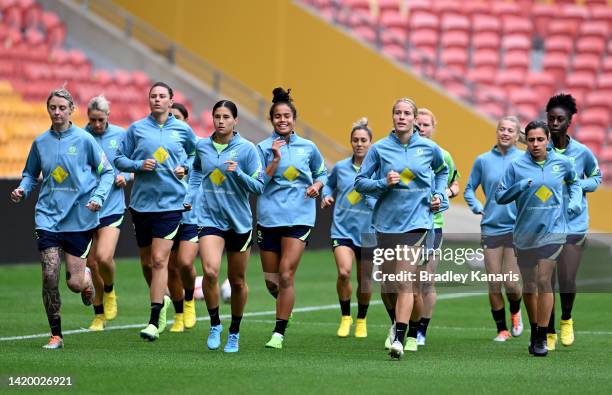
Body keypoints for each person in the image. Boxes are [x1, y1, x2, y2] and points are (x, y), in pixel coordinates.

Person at [10, 87, 114, 349]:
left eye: (61, 108)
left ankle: (86, 278)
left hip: (79, 218)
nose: (56, 112)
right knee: (49, 274)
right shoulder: (40, 142)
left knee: (75, 284)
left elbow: (107, 173)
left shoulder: (84, 140)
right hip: (47, 217)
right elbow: (30, 174)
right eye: (52, 107)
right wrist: (23, 189)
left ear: (71, 111)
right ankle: (56, 334)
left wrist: (99, 198)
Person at [355, 98, 448, 359]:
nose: (402, 117)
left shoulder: (429, 148)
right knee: (388, 285)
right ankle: (398, 322)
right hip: (385, 224)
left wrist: (439, 194)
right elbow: (360, 182)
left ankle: (400, 337)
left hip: (418, 222)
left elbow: (443, 172)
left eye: (407, 113)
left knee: (405, 280)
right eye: (397, 112)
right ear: (392, 116)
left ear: (414, 118)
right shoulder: (379, 149)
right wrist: (383, 183)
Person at [114, 82, 197, 341]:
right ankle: (161, 302)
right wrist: (138, 164)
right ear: (149, 100)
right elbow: (119, 158)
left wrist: (187, 166)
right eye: (153, 96)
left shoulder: (182, 129)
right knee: (147, 263)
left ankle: (153, 318)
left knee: (161, 260)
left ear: (171, 101)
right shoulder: (137, 129)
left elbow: (196, 155)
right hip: (141, 205)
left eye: (162, 96)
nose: (157, 100)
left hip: (172, 204)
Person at [496, 120, 582, 357]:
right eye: (531, 139)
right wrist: (521, 186)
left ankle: (543, 335)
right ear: (526, 141)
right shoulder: (516, 166)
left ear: (548, 140)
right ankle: (534, 330)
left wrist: (574, 202)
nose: (535, 144)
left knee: (544, 281)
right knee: (530, 284)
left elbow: (574, 183)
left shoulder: (562, 163)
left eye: (540, 139)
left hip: (554, 231)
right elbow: (501, 196)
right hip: (525, 234)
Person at [185, 99, 264, 353]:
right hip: (209, 218)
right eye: (217, 116)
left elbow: (259, 186)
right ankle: (215, 323)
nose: (221, 121)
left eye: (226, 117)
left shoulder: (247, 150)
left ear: (235, 121)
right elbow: (196, 172)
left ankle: (235, 331)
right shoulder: (202, 147)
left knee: (237, 281)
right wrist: (191, 195)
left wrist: (238, 173)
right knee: (209, 272)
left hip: (239, 222)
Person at [257, 87, 327, 349]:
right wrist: (274, 160)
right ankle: (286, 304)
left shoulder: (308, 147)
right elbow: (257, 183)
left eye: (287, 116)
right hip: (269, 218)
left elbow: (322, 173)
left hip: (299, 217)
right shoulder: (261, 148)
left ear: (294, 119)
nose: (282, 120)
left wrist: (317, 186)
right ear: (271, 119)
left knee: (286, 275)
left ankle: (278, 332)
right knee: (272, 282)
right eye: (277, 116)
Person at [544, 93, 601, 350]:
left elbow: (596, 177)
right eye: (551, 118)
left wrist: (579, 184)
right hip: (545, 225)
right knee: (547, 280)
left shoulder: (582, 152)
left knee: (566, 278)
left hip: (574, 224)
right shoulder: (540, 150)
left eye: (560, 119)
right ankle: (548, 329)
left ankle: (566, 319)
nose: (554, 123)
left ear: (569, 122)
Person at [464, 116, 525, 342]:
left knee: (511, 282)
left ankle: (516, 311)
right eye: (502, 129)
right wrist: (476, 205)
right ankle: (502, 330)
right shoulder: (483, 160)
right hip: (490, 227)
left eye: (510, 130)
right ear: (497, 132)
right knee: (493, 283)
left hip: (516, 228)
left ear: (517, 134)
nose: (505, 133)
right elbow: (469, 189)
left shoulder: (524, 159)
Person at [321, 117, 374, 338]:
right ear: (350, 142)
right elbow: (328, 184)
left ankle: (361, 319)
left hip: (369, 232)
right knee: (344, 272)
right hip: (342, 229)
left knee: (365, 281)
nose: (359, 143)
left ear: (370, 143)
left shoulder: (377, 170)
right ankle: (345, 317)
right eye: (355, 140)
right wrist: (326, 196)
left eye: (363, 140)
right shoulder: (341, 168)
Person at [413, 108, 460, 346]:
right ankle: (402, 323)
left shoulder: (443, 155)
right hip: (404, 223)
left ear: (433, 128)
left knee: (425, 281)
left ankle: (420, 329)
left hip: (433, 224)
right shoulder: (404, 153)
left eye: (425, 125)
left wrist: (444, 195)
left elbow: (455, 184)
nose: (421, 128)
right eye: (418, 124)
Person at [84, 95, 129, 331]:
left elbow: (131, 163)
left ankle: (110, 290)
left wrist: (127, 176)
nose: (97, 125)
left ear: (108, 116)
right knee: (91, 264)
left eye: (101, 120)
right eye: (93, 120)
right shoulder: (82, 137)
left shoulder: (121, 136)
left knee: (103, 258)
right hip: (87, 207)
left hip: (112, 205)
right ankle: (99, 315)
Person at [166, 102, 198, 332]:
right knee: (171, 268)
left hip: (191, 216)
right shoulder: (162, 148)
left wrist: (186, 169)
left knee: (186, 263)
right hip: (166, 213)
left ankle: (190, 300)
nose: (173, 120)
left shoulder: (196, 150)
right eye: (170, 117)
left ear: (185, 121)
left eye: (177, 117)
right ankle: (178, 314)